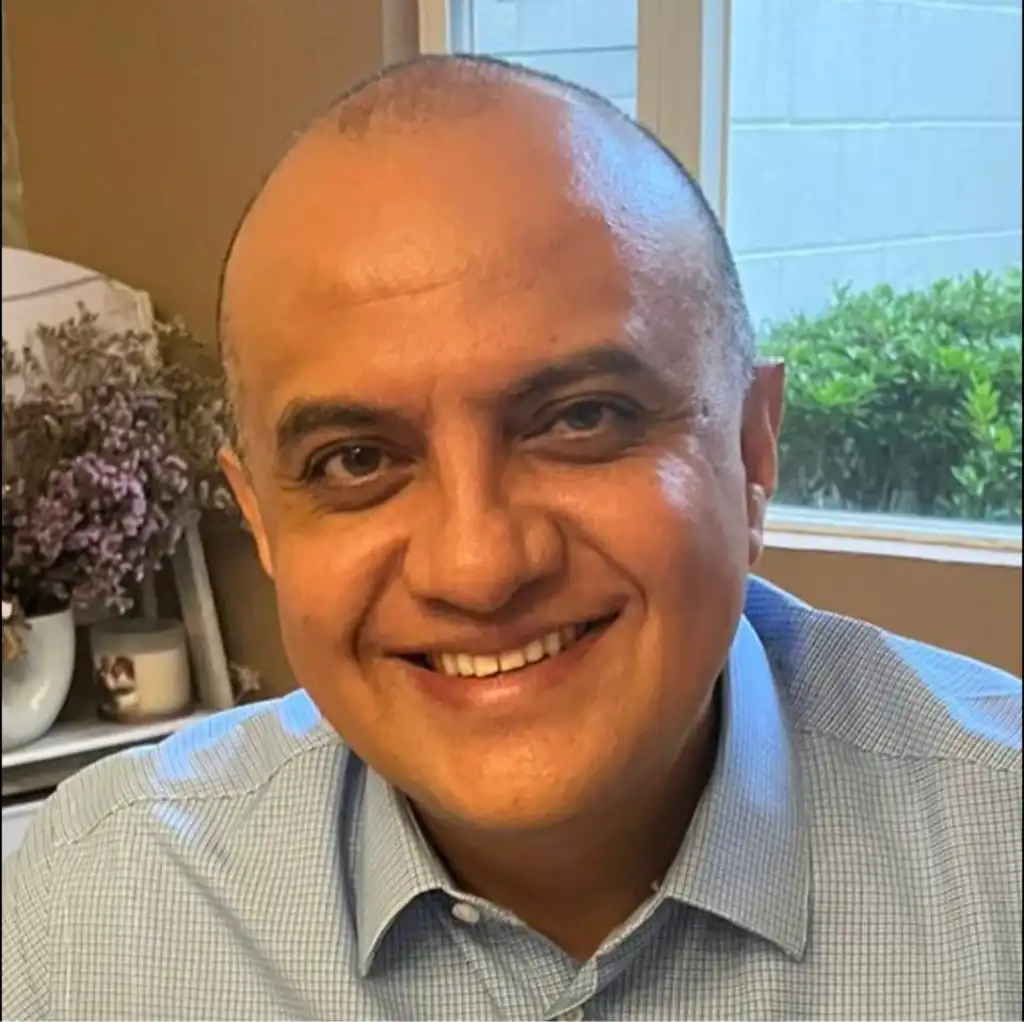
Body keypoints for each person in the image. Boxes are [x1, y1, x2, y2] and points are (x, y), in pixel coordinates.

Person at [3, 55, 1020, 1022]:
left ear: (752, 451)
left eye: (582, 419)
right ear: (262, 521)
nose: (479, 567)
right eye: (355, 460)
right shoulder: (95, 911)